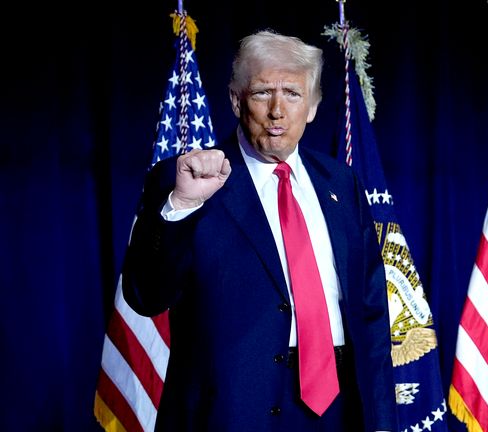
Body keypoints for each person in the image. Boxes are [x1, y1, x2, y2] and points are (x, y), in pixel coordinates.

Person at [122, 29, 396, 431]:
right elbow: (145, 296)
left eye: (293, 94)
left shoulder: (341, 182)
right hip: (231, 411)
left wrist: (383, 421)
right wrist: (181, 206)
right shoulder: (189, 179)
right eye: (263, 93)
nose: (277, 111)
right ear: (236, 100)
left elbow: (371, 313)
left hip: (340, 406)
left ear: (315, 106)